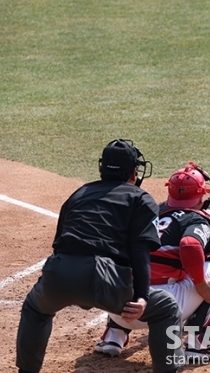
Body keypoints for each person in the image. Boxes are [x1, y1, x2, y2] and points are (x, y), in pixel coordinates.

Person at [15, 139, 184, 373]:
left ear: (101, 168)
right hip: (104, 278)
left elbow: (59, 242)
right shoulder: (140, 198)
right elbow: (139, 250)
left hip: (59, 272)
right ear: (134, 172)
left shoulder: (79, 193)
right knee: (166, 307)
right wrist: (142, 297)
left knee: (35, 308)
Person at [95, 162, 210, 361]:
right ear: (201, 195)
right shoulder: (196, 219)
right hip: (161, 309)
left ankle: (113, 337)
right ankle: (201, 343)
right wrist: (200, 284)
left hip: (116, 305)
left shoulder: (146, 211)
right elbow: (190, 245)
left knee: (132, 264)